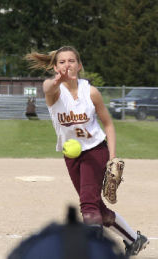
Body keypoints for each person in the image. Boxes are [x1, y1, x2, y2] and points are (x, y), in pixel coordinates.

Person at [25, 46, 149, 257]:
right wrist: (54, 82)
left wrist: (112, 156)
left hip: (95, 151)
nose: (67, 65)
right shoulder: (54, 92)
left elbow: (108, 124)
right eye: (62, 62)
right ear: (55, 67)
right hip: (71, 156)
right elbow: (47, 87)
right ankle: (135, 240)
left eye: (71, 61)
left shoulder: (90, 92)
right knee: (97, 207)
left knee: (88, 205)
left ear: (79, 65)